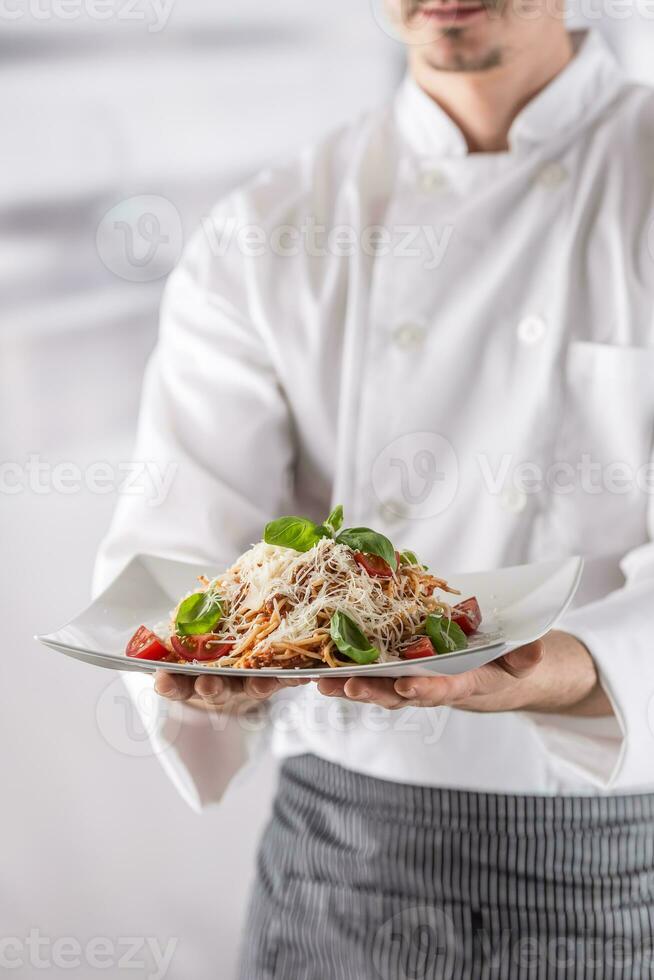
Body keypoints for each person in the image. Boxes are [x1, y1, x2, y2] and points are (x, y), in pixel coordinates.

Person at [95, 2, 654, 976]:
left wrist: (571, 666)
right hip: (335, 867)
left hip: (612, 862)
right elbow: (180, 556)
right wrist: (204, 668)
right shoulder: (264, 233)